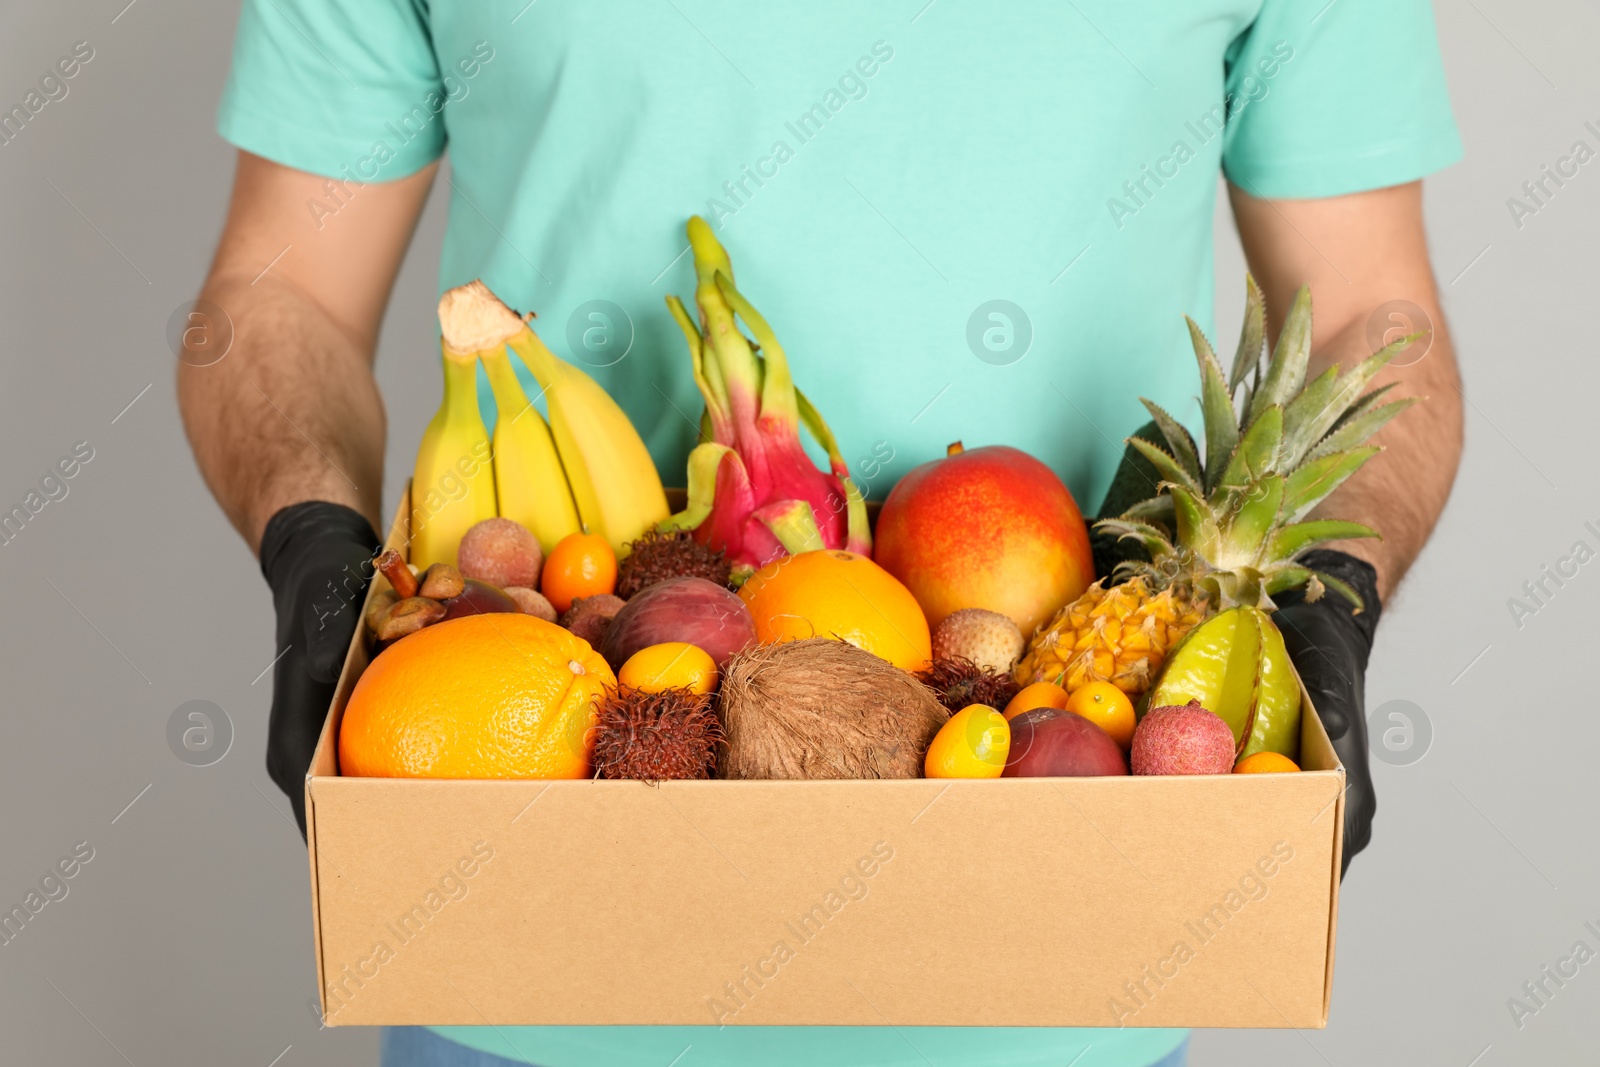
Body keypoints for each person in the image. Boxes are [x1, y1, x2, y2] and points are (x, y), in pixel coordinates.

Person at [179, 2, 1464, 1064]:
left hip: (1057, 968)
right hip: (531, 947)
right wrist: (309, 540)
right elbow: (275, 290)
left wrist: (1335, 589)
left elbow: (1370, 313)